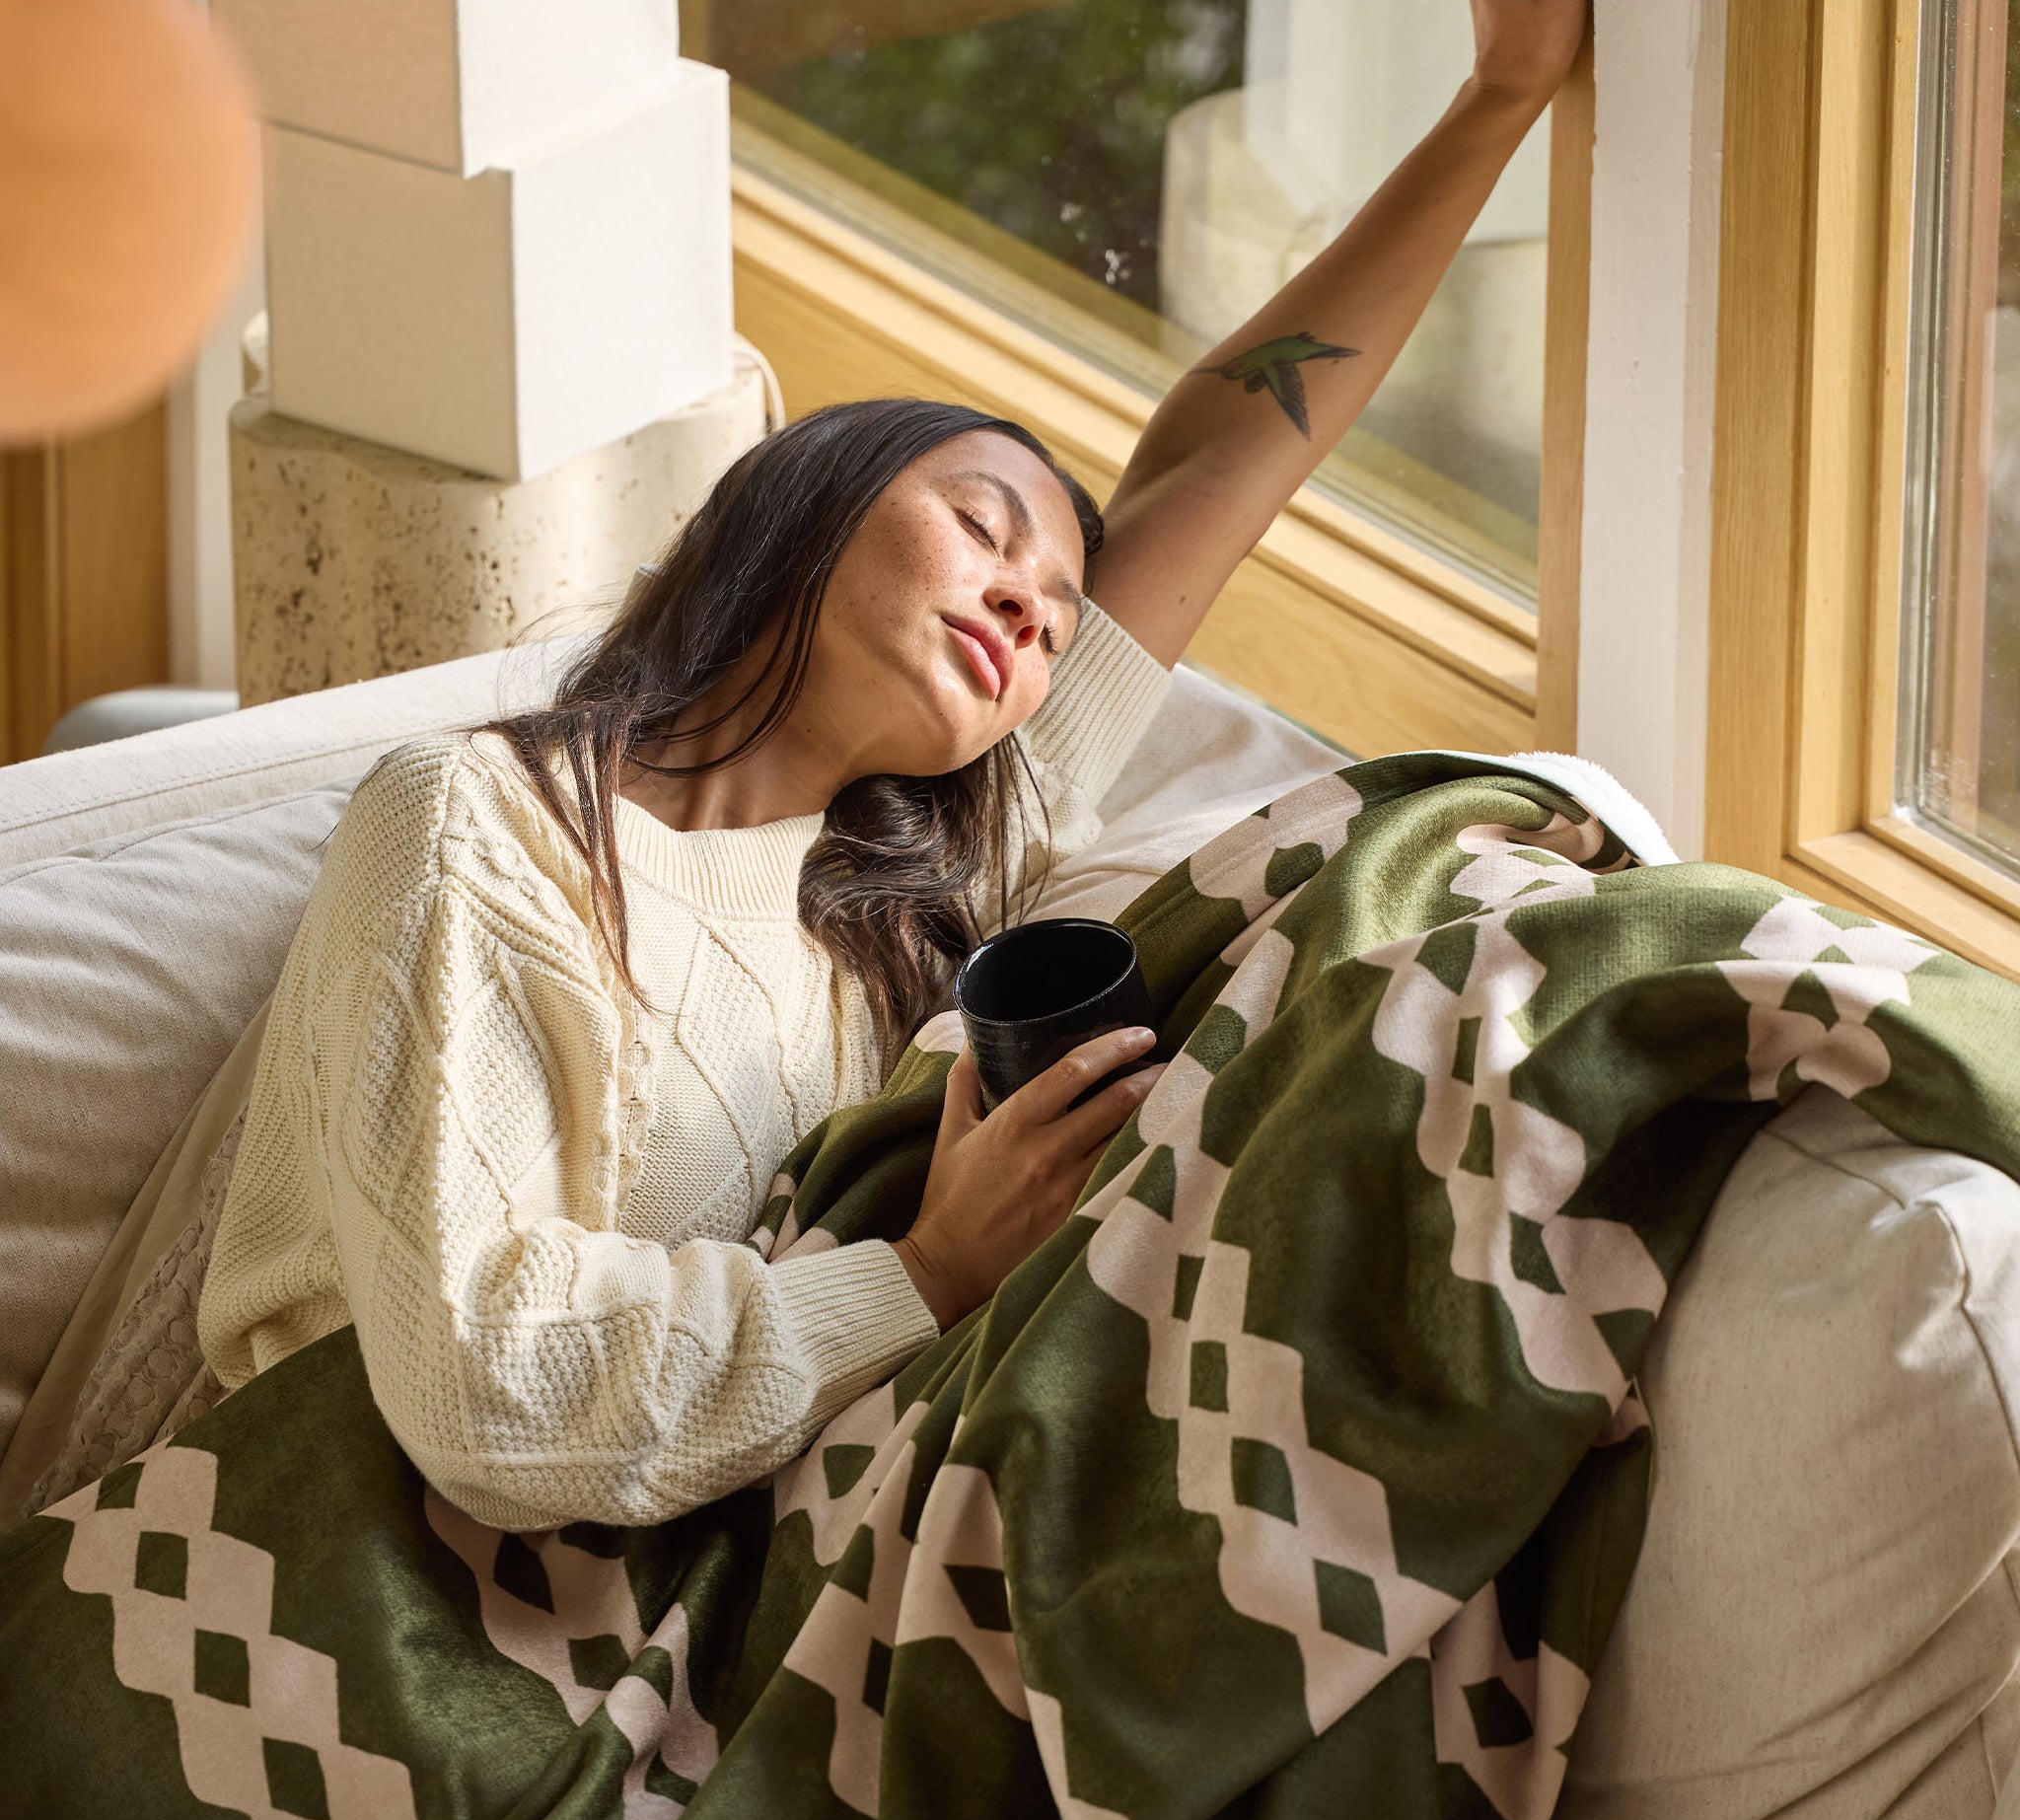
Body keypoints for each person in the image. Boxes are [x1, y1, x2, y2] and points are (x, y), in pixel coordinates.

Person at [196, 0, 1587, 1533]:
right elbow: (488, 1393)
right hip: (326, 1585)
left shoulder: (940, 880)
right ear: (803, 507)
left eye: (1059, 620)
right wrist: (920, 1276)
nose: (1025, 608)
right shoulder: (483, 833)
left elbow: (1218, 459)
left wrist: (1504, 94)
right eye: (985, 529)